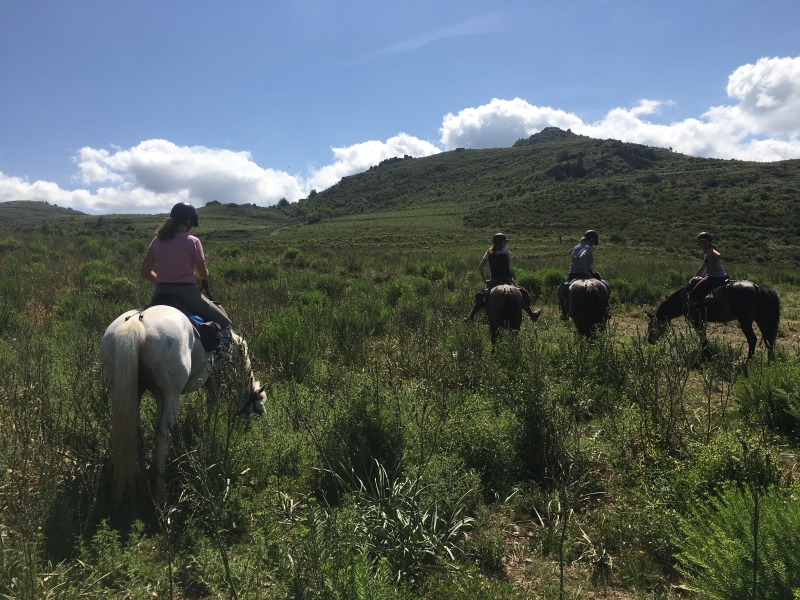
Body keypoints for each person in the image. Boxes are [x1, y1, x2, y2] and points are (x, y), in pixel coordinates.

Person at [140, 202, 232, 329]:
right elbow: (203, 274)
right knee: (226, 323)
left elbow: (145, 273)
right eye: (193, 224)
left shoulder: (156, 241)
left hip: (160, 292)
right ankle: (226, 348)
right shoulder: (193, 241)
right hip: (187, 294)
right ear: (188, 222)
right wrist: (206, 271)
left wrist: (163, 281)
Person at [463, 233, 541, 322]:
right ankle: (531, 315)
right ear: (499, 242)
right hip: (507, 279)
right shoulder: (507, 252)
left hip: (494, 280)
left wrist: (485, 280)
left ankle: (471, 317)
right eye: (504, 241)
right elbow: (507, 266)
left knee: (482, 296)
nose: (506, 243)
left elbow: (480, 267)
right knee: (520, 293)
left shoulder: (488, 253)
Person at [557, 230, 600, 320]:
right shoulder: (588, 247)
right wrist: (585, 271)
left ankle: (564, 314)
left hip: (573, 273)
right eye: (594, 241)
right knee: (605, 284)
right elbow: (582, 257)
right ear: (591, 239)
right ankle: (606, 309)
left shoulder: (576, 247)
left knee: (561, 291)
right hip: (585, 272)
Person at [688, 231, 728, 317]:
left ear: (709, 241)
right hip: (716, 276)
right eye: (701, 242)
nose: (703, 243)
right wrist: (695, 277)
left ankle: (699, 311)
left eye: (705, 241)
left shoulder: (710, 250)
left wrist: (713, 264)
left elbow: (718, 255)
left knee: (692, 294)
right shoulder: (707, 253)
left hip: (713, 277)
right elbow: (702, 267)